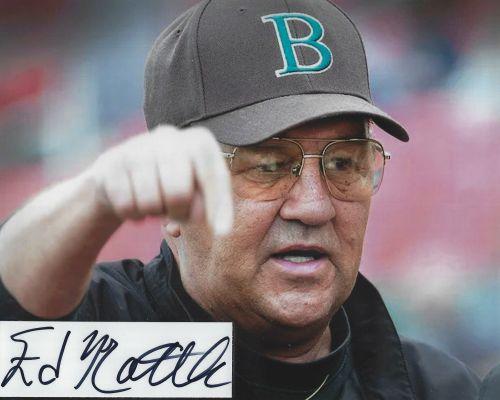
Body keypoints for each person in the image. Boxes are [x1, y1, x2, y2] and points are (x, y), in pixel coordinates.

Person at [0, 0, 481, 399]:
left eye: (342, 163)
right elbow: (13, 314)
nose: (314, 207)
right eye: (268, 165)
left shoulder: (431, 387)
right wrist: (96, 194)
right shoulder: (105, 351)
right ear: (174, 194)